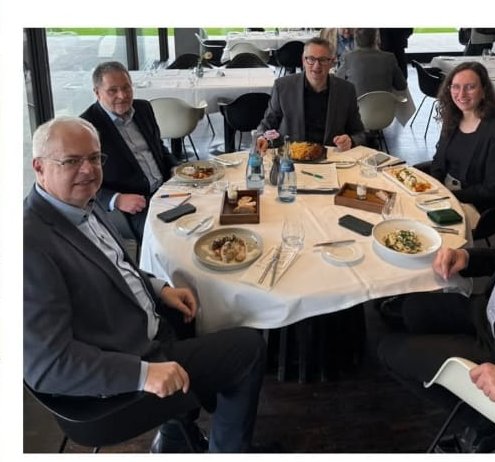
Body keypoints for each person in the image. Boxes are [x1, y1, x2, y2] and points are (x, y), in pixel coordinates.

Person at [23, 116, 267, 453]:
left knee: (206, 303)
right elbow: (48, 367)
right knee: (250, 348)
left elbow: (114, 268)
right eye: (71, 161)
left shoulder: (79, 203)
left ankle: (176, 433)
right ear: (39, 167)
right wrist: (142, 374)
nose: (88, 170)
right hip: (118, 378)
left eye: (94, 158)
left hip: (134, 327)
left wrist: (157, 288)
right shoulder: (28, 245)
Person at [378, 105, 495, 446]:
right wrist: (466, 257)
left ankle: (490, 428)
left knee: (388, 350)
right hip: (489, 314)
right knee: (408, 310)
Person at [80, 61, 177, 242]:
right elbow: (82, 183)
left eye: (126, 88)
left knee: (205, 214)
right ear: (97, 92)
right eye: (112, 91)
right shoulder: (86, 128)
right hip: (136, 205)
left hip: (168, 189)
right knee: (169, 237)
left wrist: (175, 168)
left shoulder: (143, 108)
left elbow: (159, 148)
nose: (122, 95)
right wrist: (116, 199)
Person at [429, 61, 495, 225]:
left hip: (478, 206)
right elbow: (438, 162)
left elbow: (494, 189)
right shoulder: (453, 118)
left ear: (484, 91)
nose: (461, 94)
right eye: (456, 87)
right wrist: (432, 189)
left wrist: (448, 195)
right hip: (446, 194)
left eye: (470, 87)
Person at [257, 37, 365, 152]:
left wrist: (350, 141)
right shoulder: (283, 87)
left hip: (332, 157)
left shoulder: (346, 90)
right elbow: (266, 126)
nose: (316, 65)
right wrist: (262, 138)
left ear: (331, 62)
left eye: (323, 60)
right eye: (311, 59)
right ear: (303, 60)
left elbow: (359, 133)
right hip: (293, 157)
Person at [336, 28, 408, 97]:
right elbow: (402, 86)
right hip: (385, 104)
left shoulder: (348, 58)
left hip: (357, 104)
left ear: (356, 40)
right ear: (376, 39)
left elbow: (337, 82)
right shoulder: (389, 58)